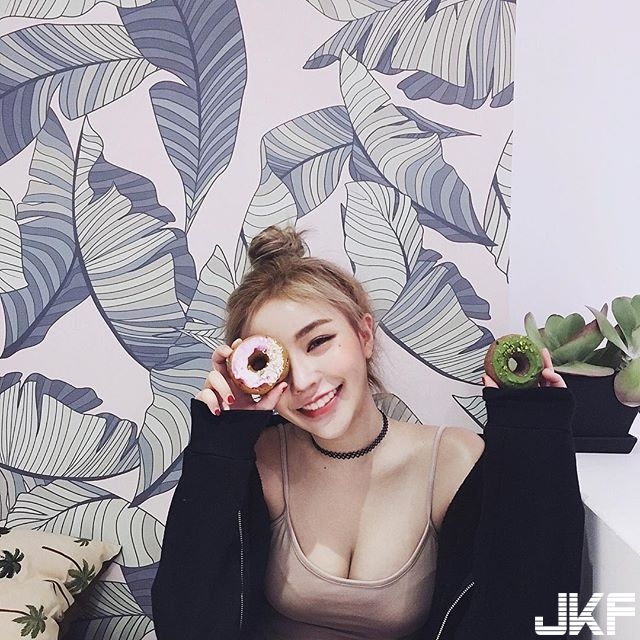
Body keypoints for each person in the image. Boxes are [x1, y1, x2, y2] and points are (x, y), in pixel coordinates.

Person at [151, 226, 585, 640]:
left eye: (318, 342)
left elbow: (531, 608)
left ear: (364, 335)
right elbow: (185, 623)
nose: (302, 381)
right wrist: (220, 443)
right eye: (273, 360)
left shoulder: (451, 460)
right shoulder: (258, 461)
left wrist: (534, 430)